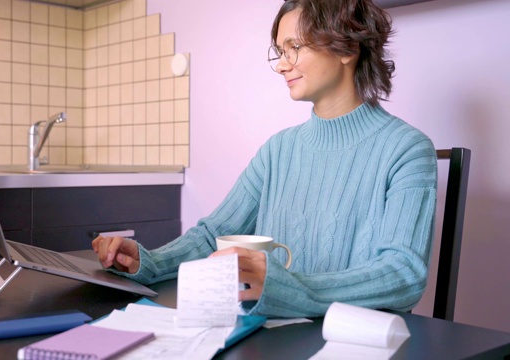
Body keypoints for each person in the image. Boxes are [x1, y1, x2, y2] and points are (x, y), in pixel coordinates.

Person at [92, 0, 437, 318]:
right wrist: (148, 261)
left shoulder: (407, 150)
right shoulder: (278, 150)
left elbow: (402, 274)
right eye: (280, 51)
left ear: (346, 47)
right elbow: (215, 234)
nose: (282, 65)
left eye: (295, 48)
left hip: (349, 342)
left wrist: (291, 289)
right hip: (273, 334)